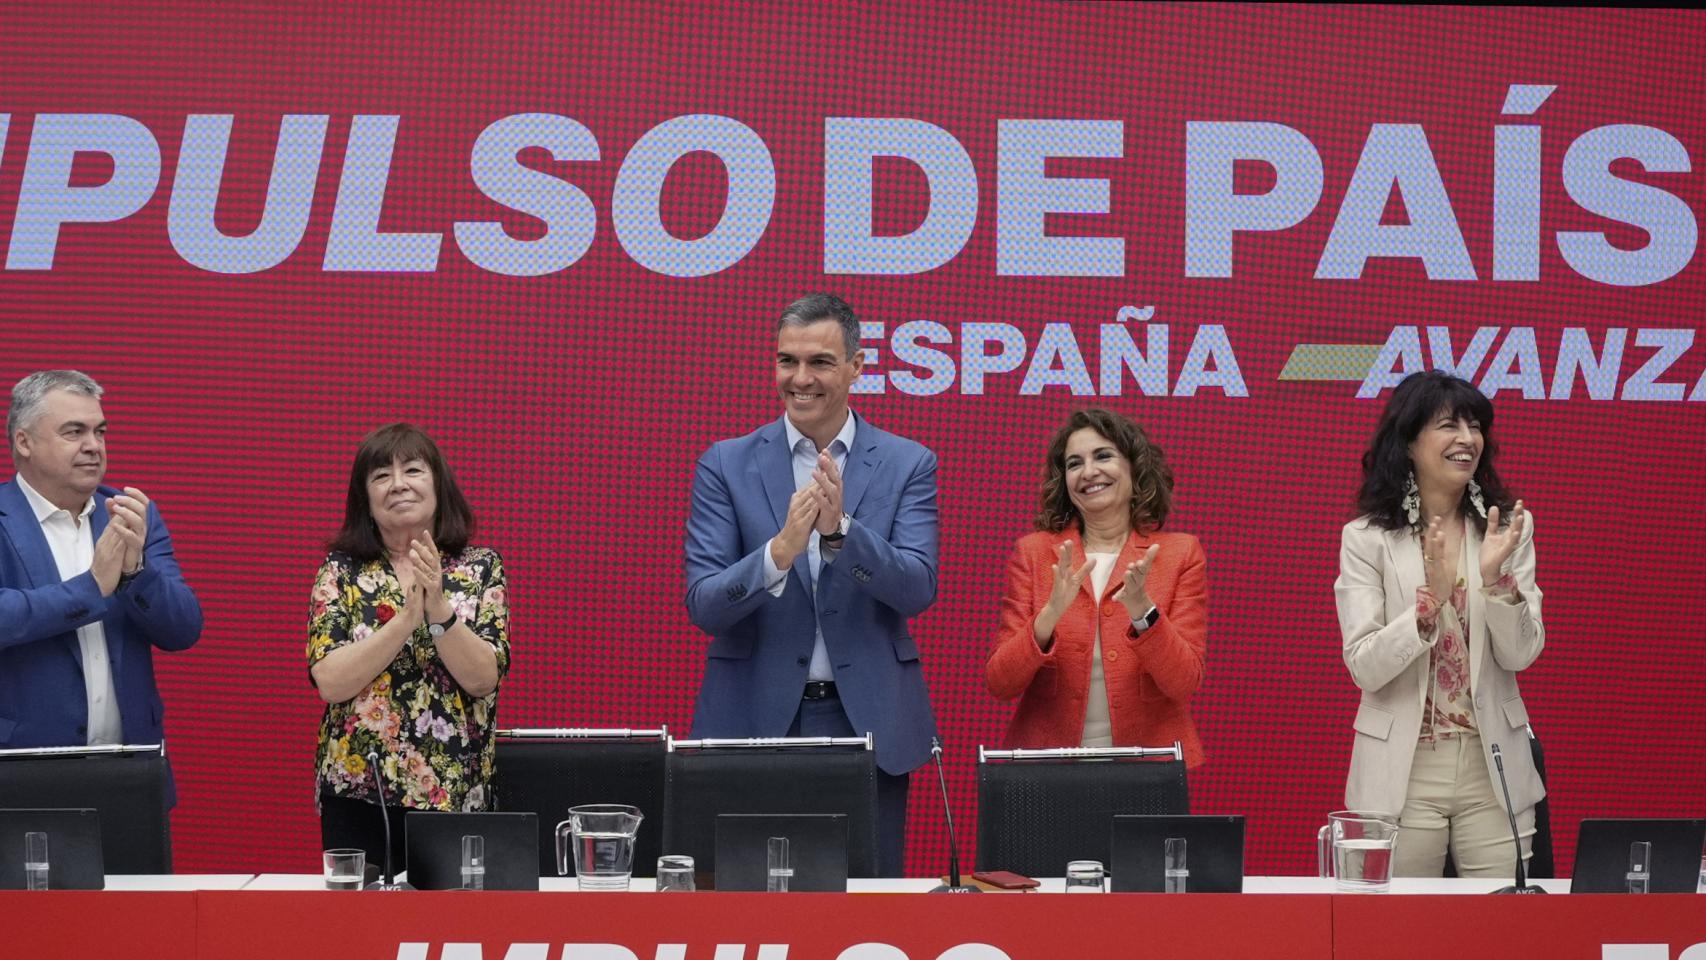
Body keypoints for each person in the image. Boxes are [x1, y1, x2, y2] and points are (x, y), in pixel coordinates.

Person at [684, 293, 939, 877]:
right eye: (787, 361)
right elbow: (704, 604)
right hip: (752, 715)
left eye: (820, 362)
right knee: (747, 900)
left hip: (866, 721)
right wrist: (778, 554)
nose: (800, 379)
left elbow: (917, 588)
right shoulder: (725, 463)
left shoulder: (907, 463)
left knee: (868, 904)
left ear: (856, 366)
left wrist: (842, 533)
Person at [1335, 370, 1544, 878]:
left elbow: (1521, 654)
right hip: (1402, 768)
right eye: (1449, 425)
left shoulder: (1507, 529)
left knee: (1504, 917)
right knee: (1399, 920)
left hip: (1492, 763)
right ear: (1408, 442)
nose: (1467, 438)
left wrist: (1496, 583)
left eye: (1475, 426)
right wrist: (1425, 612)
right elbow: (1364, 666)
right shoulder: (1366, 539)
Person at [308, 423, 509, 874]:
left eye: (413, 470)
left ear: (438, 484)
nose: (398, 484)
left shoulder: (480, 568)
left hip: (455, 790)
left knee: (449, 918)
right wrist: (404, 621)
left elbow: (483, 678)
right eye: (382, 475)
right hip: (358, 793)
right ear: (365, 498)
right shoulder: (341, 571)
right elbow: (331, 682)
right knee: (361, 918)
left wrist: (438, 608)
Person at [0, 370, 204, 800]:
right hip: (21, 775)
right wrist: (92, 588)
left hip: (129, 774)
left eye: (100, 431)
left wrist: (135, 574)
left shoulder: (131, 515)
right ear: (24, 442)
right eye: (74, 432)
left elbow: (183, 629)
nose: (94, 445)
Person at [985, 409, 1208, 768]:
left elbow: (1183, 683)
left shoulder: (1180, 553)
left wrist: (1143, 611)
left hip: (1150, 768)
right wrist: (1048, 616)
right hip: (1047, 770)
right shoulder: (1034, 553)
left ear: (1135, 468)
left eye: (1103, 456)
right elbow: (1000, 684)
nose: (1088, 472)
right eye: (1074, 463)